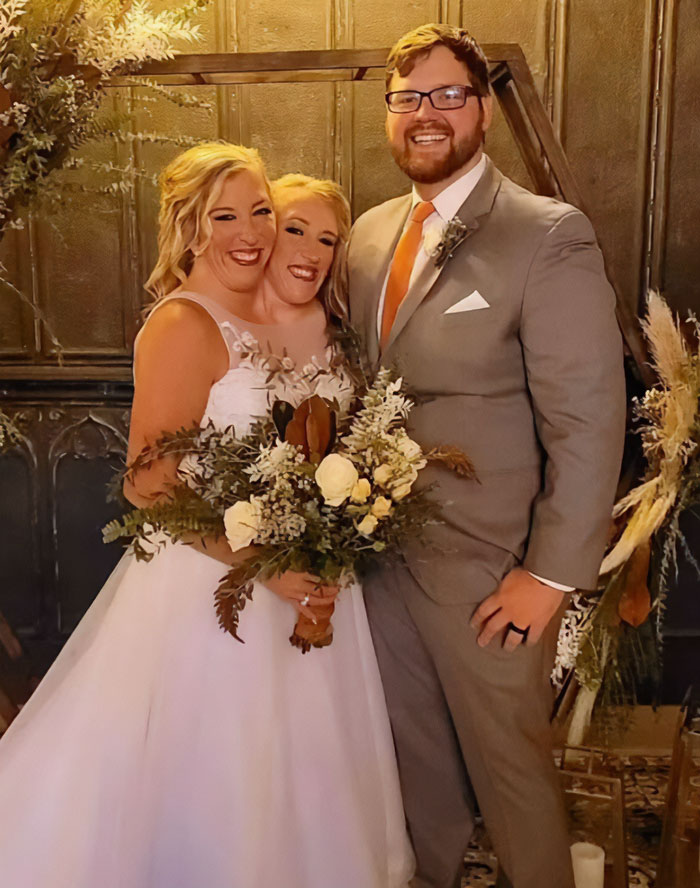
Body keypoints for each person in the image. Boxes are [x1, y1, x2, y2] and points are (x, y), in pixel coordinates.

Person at [0, 144, 414, 888]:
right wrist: (262, 565)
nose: (249, 232)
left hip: (306, 582)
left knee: (303, 775)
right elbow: (146, 484)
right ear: (190, 227)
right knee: (216, 773)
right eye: (225, 216)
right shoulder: (184, 323)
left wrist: (328, 530)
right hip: (209, 590)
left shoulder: (282, 313)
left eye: (260, 212)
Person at [347, 23, 626, 888]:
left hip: (489, 573)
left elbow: (588, 418)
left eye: (447, 95)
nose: (425, 113)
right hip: (377, 559)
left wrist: (548, 576)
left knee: (513, 780)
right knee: (412, 771)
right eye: (406, 97)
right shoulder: (367, 234)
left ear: (483, 112)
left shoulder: (548, 235)